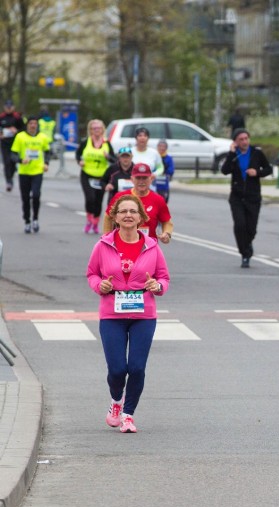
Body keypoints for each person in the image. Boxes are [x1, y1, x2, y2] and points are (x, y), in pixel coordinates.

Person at [87, 193, 170, 434]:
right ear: (115, 217)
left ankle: (128, 415)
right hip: (111, 314)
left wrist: (158, 286)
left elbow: (163, 277)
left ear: (141, 217)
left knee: (136, 368)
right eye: (123, 211)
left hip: (143, 315)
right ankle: (116, 402)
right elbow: (92, 273)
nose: (128, 215)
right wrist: (99, 285)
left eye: (133, 211)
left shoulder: (151, 246)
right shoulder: (103, 244)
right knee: (116, 370)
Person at [220, 128, 272, 268]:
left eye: (246, 138)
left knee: (251, 228)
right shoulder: (234, 155)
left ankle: (247, 244)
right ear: (235, 142)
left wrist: (257, 172)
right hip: (236, 197)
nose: (244, 141)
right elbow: (225, 171)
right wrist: (231, 154)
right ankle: (245, 253)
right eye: (241, 139)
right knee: (240, 225)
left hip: (253, 196)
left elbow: (268, 169)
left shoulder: (256, 153)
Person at [103, 163, 173, 245]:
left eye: (144, 178)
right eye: (138, 178)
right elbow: (108, 217)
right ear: (132, 179)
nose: (141, 181)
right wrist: (107, 238)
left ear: (151, 179)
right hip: (122, 245)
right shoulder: (120, 197)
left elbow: (166, 221)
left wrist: (167, 234)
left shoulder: (158, 199)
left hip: (148, 247)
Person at [10, 117, 51, 233]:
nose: (33, 125)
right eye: (31, 123)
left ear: (37, 125)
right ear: (27, 125)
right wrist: (20, 160)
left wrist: (46, 163)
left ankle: (35, 219)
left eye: (35, 123)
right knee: (25, 198)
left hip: (37, 171)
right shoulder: (20, 136)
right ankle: (27, 221)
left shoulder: (42, 137)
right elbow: (13, 154)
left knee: (36, 195)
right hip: (24, 172)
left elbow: (48, 152)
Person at [75, 119, 116, 234]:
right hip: (87, 175)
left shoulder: (107, 143)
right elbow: (78, 154)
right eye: (94, 128)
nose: (96, 130)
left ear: (103, 129)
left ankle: (95, 222)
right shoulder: (85, 142)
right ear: (90, 130)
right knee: (90, 198)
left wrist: (108, 157)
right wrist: (79, 161)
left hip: (102, 177)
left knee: (98, 200)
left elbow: (115, 160)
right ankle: (89, 219)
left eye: (99, 128)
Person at [0, 100, 25, 192]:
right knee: (6, 162)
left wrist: (16, 131)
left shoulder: (17, 117)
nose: (9, 109)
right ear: (4, 107)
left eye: (10, 107)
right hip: (4, 143)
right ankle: (9, 181)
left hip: (15, 143)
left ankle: (12, 172)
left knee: (13, 161)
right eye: (7, 107)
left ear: (13, 107)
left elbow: (24, 129)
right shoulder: (1, 117)